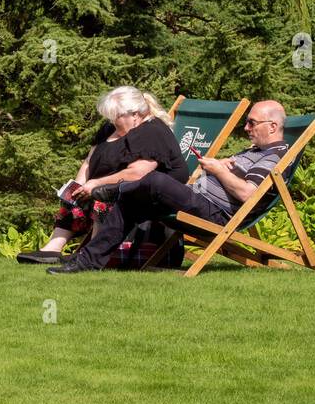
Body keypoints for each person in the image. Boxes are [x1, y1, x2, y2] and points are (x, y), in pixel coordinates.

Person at [47, 99, 289, 273]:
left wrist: (217, 170)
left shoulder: (274, 156)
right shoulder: (256, 151)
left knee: (157, 180)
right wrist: (222, 166)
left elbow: (248, 194)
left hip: (216, 214)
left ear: (272, 127)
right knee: (130, 203)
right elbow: (240, 179)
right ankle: (86, 261)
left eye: (252, 123)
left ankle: (115, 189)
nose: (246, 128)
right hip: (198, 199)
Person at [16, 86, 188, 264]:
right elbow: (89, 161)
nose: (113, 122)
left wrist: (96, 183)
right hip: (124, 188)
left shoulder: (152, 132)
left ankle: (92, 254)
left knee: (103, 196)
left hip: (157, 197)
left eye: (116, 117)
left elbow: (138, 173)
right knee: (75, 196)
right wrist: (78, 185)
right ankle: (53, 248)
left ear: (135, 115)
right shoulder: (109, 128)